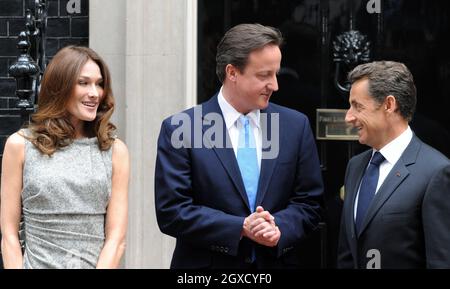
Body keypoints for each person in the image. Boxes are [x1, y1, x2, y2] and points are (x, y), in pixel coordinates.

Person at [155, 23, 323, 269]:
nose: (275, 85)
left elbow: (310, 204)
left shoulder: (295, 126)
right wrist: (241, 228)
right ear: (232, 72)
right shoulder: (182, 128)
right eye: (264, 75)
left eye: (275, 73)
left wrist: (277, 227)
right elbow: (172, 211)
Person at [0, 46, 130, 269]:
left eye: (99, 84)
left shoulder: (115, 150)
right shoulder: (20, 146)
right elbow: (9, 235)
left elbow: (116, 240)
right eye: (84, 82)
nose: (95, 93)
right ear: (60, 86)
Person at [338, 61, 450, 269]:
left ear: (389, 105)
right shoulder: (355, 166)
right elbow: (348, 253)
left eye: (358, 106)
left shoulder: (436, 172)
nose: (348, 117)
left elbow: (441, 260)